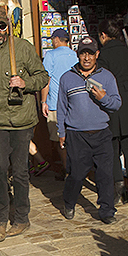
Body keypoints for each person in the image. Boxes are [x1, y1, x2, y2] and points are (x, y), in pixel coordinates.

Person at [0, 5, 49, 242]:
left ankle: (22, 218)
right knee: (0, 169)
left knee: (21, 170)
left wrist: (26, 83)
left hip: (22, 120)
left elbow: (42, 76)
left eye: (2, 26)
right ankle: (1, 219)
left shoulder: (22, 48)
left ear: (8, 26)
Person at [57, 36, 122, 224]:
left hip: (101, 133)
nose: (87, 58)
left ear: (97, 55)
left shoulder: (106, 76)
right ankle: (69, 202)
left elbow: (116, 103)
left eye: (91, 54)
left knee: (105, 174)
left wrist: (103, 98)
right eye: (83, 53)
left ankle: (107, 211)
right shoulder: (67, 78)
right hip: (77, 135)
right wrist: (62, 132)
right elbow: (62, 108)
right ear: (78, 55)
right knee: (77, 174)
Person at [98, 16, 128, 205]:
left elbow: (102, 83)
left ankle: (118, 187)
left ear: (103, 36)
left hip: (113, 106)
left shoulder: (104, 56)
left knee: (113, 149)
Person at [41, 28, 77, 179]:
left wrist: (43, 101)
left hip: (55, 103)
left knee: (59, 139)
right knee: (73, 138)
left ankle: (67, 169)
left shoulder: (51, 55)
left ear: (56, 40)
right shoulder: (75, 55)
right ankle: (75, 169)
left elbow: (45, 80)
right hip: (73, 103)